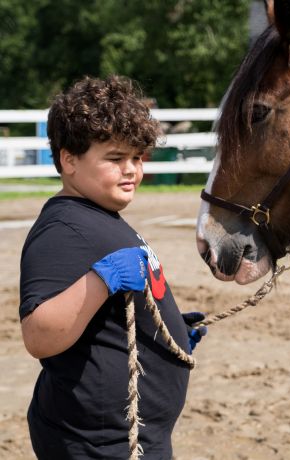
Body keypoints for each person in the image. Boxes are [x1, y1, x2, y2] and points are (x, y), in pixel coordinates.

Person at [19, 75, 207, 459]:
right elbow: (39, 335)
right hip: (97, 444)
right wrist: (101, 280)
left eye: (137, 158)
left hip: (128, 439)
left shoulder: (99, 214)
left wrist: (165, 332)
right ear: (69, 160)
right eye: (115, 159)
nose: (131, 170)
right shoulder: (62, 229)